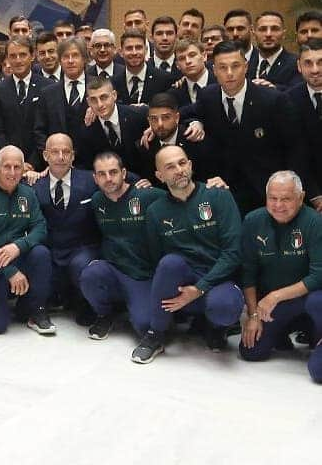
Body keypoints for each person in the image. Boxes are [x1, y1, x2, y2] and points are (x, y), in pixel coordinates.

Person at [133, 145, 245, 364]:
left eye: (182, 163)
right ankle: (155, 335)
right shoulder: (156, 211)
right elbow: (157, 257)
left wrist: (200, 288)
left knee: (224, 308)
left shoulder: (218, 195)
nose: (179, 170)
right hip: (183, 281)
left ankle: (213, 326)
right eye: (170, 167)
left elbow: (233, 253)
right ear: (159, 176)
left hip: (218, 279)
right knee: (168, 263)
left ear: (191, 165)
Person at [187, 40, 305, 214]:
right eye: (222, 67)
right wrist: (196, 121)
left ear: (246, 66)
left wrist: (288, 189)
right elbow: (187, 113)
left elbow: (294, 148)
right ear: (214, 71)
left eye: (235, 66)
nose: (229, 73)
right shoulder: (208, 96)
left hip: (265, 191)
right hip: (224, 188)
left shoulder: (272, 100)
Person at [239, 171, 322, 369]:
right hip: (274, 307)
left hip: (308, 300)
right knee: (251, 351)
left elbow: (319, 275)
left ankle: (316, 336)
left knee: (317, 301)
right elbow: (247, 273)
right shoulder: (252, 221)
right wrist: (253, 316)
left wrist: (275, 296)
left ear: (301, 198)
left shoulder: (315, 222)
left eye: (286, 199)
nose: (278, 205)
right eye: (273, 198)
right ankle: (282, 333)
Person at [79, 151, 164, 342]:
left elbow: (180, 199)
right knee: (90, 274)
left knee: (146, 325)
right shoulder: (97, 201)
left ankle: (138, 305)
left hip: (143, 274)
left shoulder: (148, 196)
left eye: (113, 172)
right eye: (102, 174)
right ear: (95, 178)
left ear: (124, 173)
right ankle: (105, 314)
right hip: (114, 269)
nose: (108, 179)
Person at [0, 145, 53, 333]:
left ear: (24, 170)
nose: (12, 172)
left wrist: (18, 246)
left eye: (17, 167)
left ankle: (34, 309)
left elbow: (40, 227)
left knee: (41, 253)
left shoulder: (28, 193)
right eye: (7, 167)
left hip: (17, 256)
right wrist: (9, 271)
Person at [32, 133, 100, 316]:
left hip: (82, 248)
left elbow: (118, 177)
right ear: (45, 156)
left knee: (81, 266)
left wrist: (141, 182)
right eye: (55, 152)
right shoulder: (34, 184)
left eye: (66, 152)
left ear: (73, 155)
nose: (61, 157)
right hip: (52, 248)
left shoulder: (91, 180)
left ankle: (84, 301)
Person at [0, 35, 46, 164]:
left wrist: (32, 163)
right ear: (7, 58)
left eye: (23, 55)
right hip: (8, 164)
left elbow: (47, 128)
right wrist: (14, 160)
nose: (18, 60)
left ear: (32, 56)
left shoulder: (47, 87)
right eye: (13, 56)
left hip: (40, 164)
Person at [76, 74, 148, 174]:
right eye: (93, 100)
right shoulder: (87, 130)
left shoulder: (138, 116)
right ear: (88, 102)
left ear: (114, 95)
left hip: (141, 179)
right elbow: (87, 166)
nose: (100, 104)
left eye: (103, 97)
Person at [33, 36, 89, 157]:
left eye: (75, 55)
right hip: (58, 162)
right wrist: (50, 158)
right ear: (60, 60)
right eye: (65, 57)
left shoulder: (98, 88)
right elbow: (40, 131)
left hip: (92, 162)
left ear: (84, 58)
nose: (70, 60)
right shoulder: (47, 93)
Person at [287, 38, 322, 209]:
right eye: (308, 63)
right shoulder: (289, 100)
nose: (315, 70)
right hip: (308, 195)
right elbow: (295, 153)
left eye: (320, 63)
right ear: (299, 66)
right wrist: (315, 195)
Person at [112, 29, 172, 106]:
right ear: (121, 52)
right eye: (129, 48)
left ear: (146, 50)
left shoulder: (163, 79)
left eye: (138, 48)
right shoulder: (113, 82)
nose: (134, 53)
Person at [252, 10, 298, 86]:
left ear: (283, 34)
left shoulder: (296, 64)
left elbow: (297, 93)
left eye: (274, 29)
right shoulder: (246, 63)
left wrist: (274, 90)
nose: (268, 34)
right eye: (263, 29)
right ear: (254, 34)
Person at [171, 38, 214, 106]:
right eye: (182, 58)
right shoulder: (174, 94)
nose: (188, 61)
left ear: (204, 56)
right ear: (177, 65)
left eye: (192, 55)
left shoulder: (221, 83)